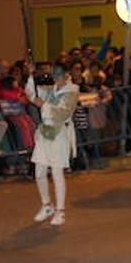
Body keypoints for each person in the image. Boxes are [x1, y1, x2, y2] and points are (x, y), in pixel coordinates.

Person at [27, 66, 78, 225]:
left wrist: (43, 105)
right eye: (54, 76)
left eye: (59, 76)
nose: (56, 79)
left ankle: (60, 211)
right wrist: (30, 75)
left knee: (57, 172)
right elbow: (32, 95)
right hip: (44, 134)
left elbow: (62, 113)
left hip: (60, 134)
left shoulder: (72, 92)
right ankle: (47, 205)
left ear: (66, 76)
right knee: (39, 172)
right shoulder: (51, 89)